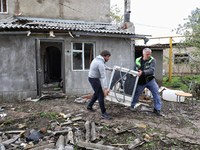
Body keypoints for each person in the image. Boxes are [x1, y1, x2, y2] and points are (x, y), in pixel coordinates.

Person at [130, 48, 162, 116]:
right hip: (141, 81)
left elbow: (151, 70)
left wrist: (143, 72)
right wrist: (134, 74)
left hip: (150, 80)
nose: (149, 56)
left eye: (150, 54)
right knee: (137, 93)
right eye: (147, 54)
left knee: (156, 92)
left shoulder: (152, 60)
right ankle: (132, 106)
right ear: (143, 54)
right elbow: (134, 69)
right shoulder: (137, 60)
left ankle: (157, 109)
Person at [87, 50, 113, 119]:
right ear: (104, 56)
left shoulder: (98, 59)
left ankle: (89, 106)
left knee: (97, 93)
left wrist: (109, 69)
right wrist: (106, 88)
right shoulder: (100, 62)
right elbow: (103, 76)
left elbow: (104, 66)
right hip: (94, 79)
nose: (108, 58)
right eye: (108, 57)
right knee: (100, 95)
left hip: (92, 78)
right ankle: (103, 113)